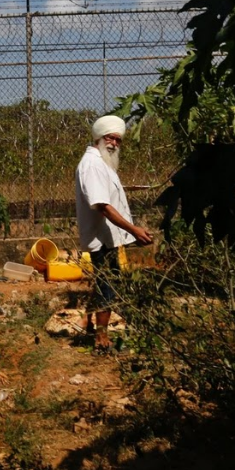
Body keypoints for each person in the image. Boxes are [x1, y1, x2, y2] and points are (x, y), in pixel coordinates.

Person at [75, 115, 153, 352]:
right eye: (110, 138)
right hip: (102, 238)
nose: (114, 143)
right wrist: (134, 230)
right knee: (107, 286)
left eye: (118, 140)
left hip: (108, 237)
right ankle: (101, 340)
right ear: (98, 137)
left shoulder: (101, 163)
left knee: (107, 283)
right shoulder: (93, 165)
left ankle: (91, 324)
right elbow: (102, 205)